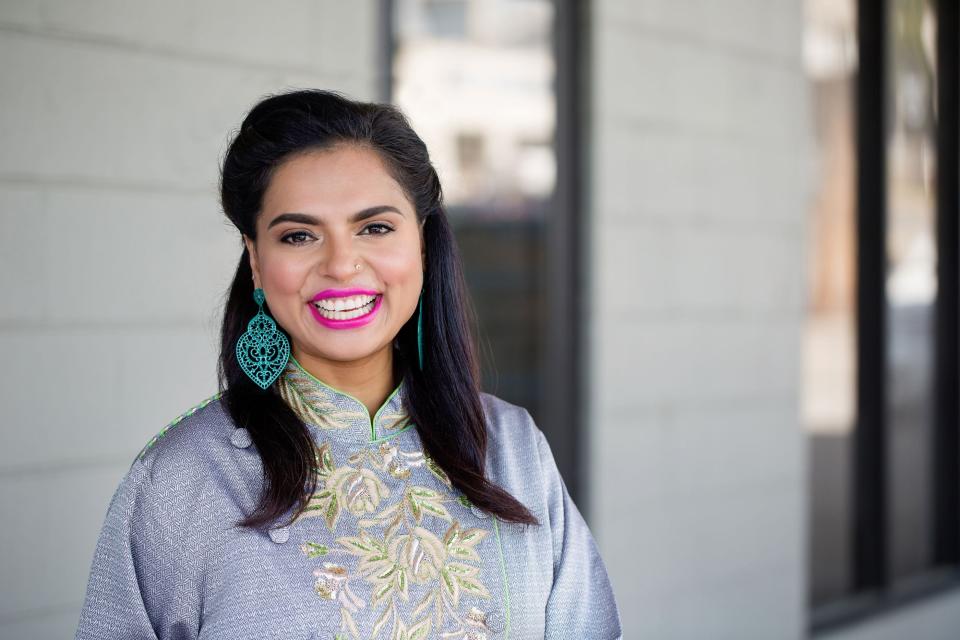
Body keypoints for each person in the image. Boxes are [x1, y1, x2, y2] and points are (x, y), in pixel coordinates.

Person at [75, 89, 621, 639]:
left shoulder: (512, 448)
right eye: (299, 235)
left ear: (423, 247)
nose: (340, 264)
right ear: (257, 262)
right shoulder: (182, 480)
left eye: (375, 227)